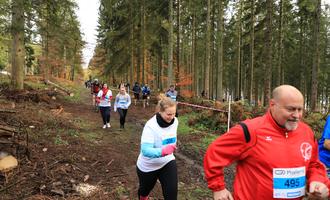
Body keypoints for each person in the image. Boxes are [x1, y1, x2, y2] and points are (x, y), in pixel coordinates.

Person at [204, 85, 329, 200]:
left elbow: (314, 164)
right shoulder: (250, 130)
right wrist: (218, 188)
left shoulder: (306, 132)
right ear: (272, 105)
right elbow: (215, 152)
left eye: (300, 109)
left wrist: (317, 180)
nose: (296, 115)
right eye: (291, 109)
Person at [136, 94, 178, 200]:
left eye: (174, 114)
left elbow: (169, 137)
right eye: (169, 114)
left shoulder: (175, 121)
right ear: (160, 111)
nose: (172, 117)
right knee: (144, 192)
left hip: (167, 162)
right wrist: (163, 151)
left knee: (171, 195)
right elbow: (145, 150)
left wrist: (174, 144)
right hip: (148, 166)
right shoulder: (151, 126)